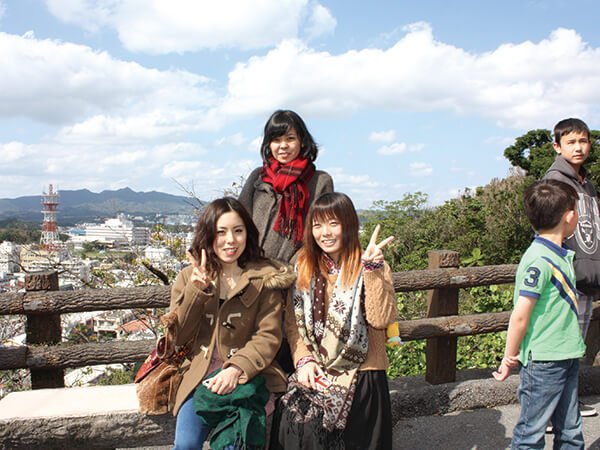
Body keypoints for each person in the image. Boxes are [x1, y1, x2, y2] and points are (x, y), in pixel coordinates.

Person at [270, 192, 397, 450]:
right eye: (317, 225)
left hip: (363, 370)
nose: (324, 232)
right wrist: (303, 361)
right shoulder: (305, 266)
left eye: (333, 223)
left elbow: (381, 319)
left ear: (349, 225)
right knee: (295, 426)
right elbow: (293, 325)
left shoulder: (372, 264)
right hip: (317, 365)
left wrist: (372, 272)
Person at [169, 197, 296, 449]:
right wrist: (197, 291)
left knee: (235, 444)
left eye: (238, 231)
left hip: (246, 378)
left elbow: (267, 335)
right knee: (185, 445)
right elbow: (177, 337)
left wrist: (236, 368)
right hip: (199, 378)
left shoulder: (263, 277)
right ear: (208, 235)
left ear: (248, 233)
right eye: (221, 232)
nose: (230, 240)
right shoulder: (189, 276)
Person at [493, 179, 586, 449]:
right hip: (544, 360)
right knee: (531, 432)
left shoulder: (559, 254)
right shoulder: (539, 259)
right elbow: (520, 315)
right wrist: (510, 357)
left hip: (566, 354)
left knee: (571, 429)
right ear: (570, 217)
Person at [543, 117, 599, 418]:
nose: (579, 147)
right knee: (562, 347)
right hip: (567, 276)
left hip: (587, 273)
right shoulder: (556, 182)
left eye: (583, 141)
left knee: (573, 345)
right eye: (571, 142)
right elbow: (549, 230)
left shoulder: (585, 183)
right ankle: (557, 413)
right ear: (557, 146)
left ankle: (566, 409)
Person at [239, 109, 334, 264]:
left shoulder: (320, 181)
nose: (283, 146)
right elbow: (238, 222)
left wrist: (292, 268)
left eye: (290, 138)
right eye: (276, 140)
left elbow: (320, 233)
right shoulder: (258, 177)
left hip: (291, 276)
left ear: (302, 141)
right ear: (269, 144)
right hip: (249, 271)